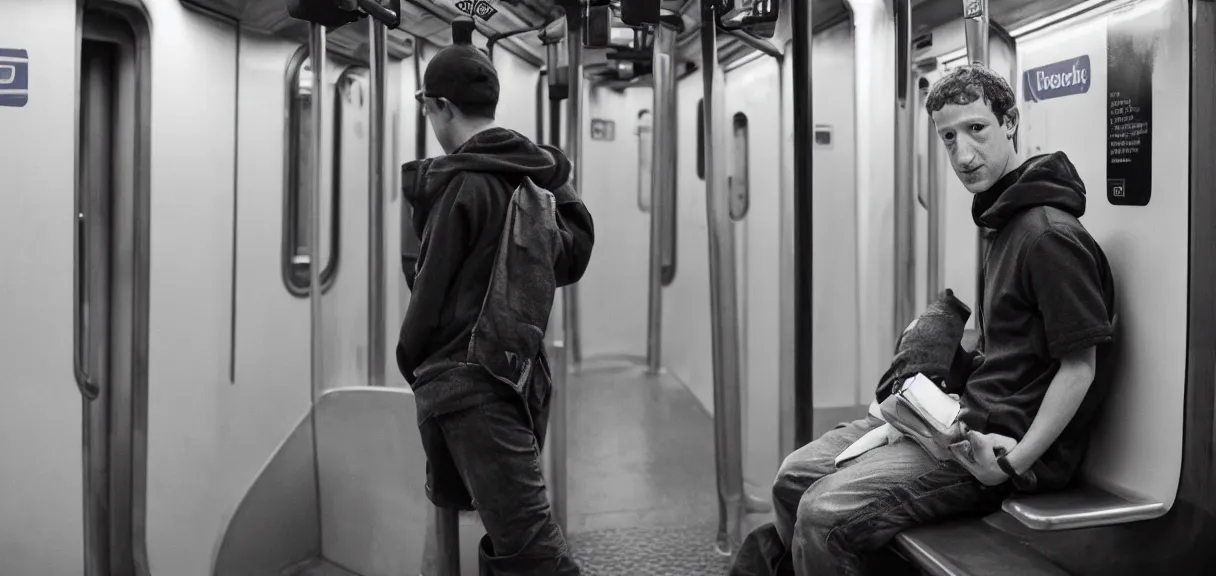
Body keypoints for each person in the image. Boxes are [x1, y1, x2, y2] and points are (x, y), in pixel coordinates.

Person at [750, 64, 1117, 575]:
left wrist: (1013, 463)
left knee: (823, 513)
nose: (963, 154)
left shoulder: (1048, 237)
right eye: (949, 138)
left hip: (995, 449)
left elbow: (1080, 368)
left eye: (977, 130)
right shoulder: (1005, 223)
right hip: (959, 420)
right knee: (793, 477)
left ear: (1010, 122)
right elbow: (1012, 349)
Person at [398, 34, 593, 576]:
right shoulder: (533, 180)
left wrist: (411, 360)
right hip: (519, 370)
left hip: (466, 383)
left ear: (439, 106)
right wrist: (554, 171)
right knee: (510, 531)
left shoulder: (459, 184)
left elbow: (428, 295)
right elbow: (570, 259)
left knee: (530, 547)